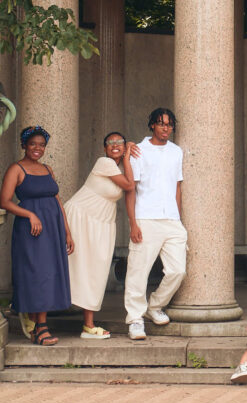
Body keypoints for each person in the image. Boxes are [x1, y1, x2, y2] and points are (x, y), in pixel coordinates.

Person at [0, 125, 74, 346]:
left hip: (53, 228)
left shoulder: (48, 169)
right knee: (35, 275)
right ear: (24, 145)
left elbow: (57, 200)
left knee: (50, 274)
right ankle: (40, 328)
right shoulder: (16, 169)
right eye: (33, 144)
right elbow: (4, 202)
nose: (37, 148)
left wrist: (67, 232)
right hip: (31, 231)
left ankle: (38, 325)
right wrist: (30, 214)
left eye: (41, 145)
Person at [62, 132, 137, 339]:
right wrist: (128, 155)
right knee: (68, 267)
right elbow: (130, 185)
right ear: (104, 148)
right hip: (81, 217)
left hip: (101, 223)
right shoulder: (104, 162)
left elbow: (130, 183)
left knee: (96, 271)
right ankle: (31, 314)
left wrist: (127, 158)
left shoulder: (120, 167)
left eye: (120, 143)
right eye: (110, 143)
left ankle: (88, 326)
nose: (115, 145)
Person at [124, 108, 187, 340]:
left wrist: (177, 217)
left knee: (177, 270)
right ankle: (135, 319)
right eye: (161, 124)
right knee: (138, 272)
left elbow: (177, 186)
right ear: (152, 125)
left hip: (171, 219)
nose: (165, 128)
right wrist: (132, 223)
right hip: (145, 217)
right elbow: (130, 189)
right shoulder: (139, 151)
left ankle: (154, 306)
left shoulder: (176, 151)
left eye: (169, 124)